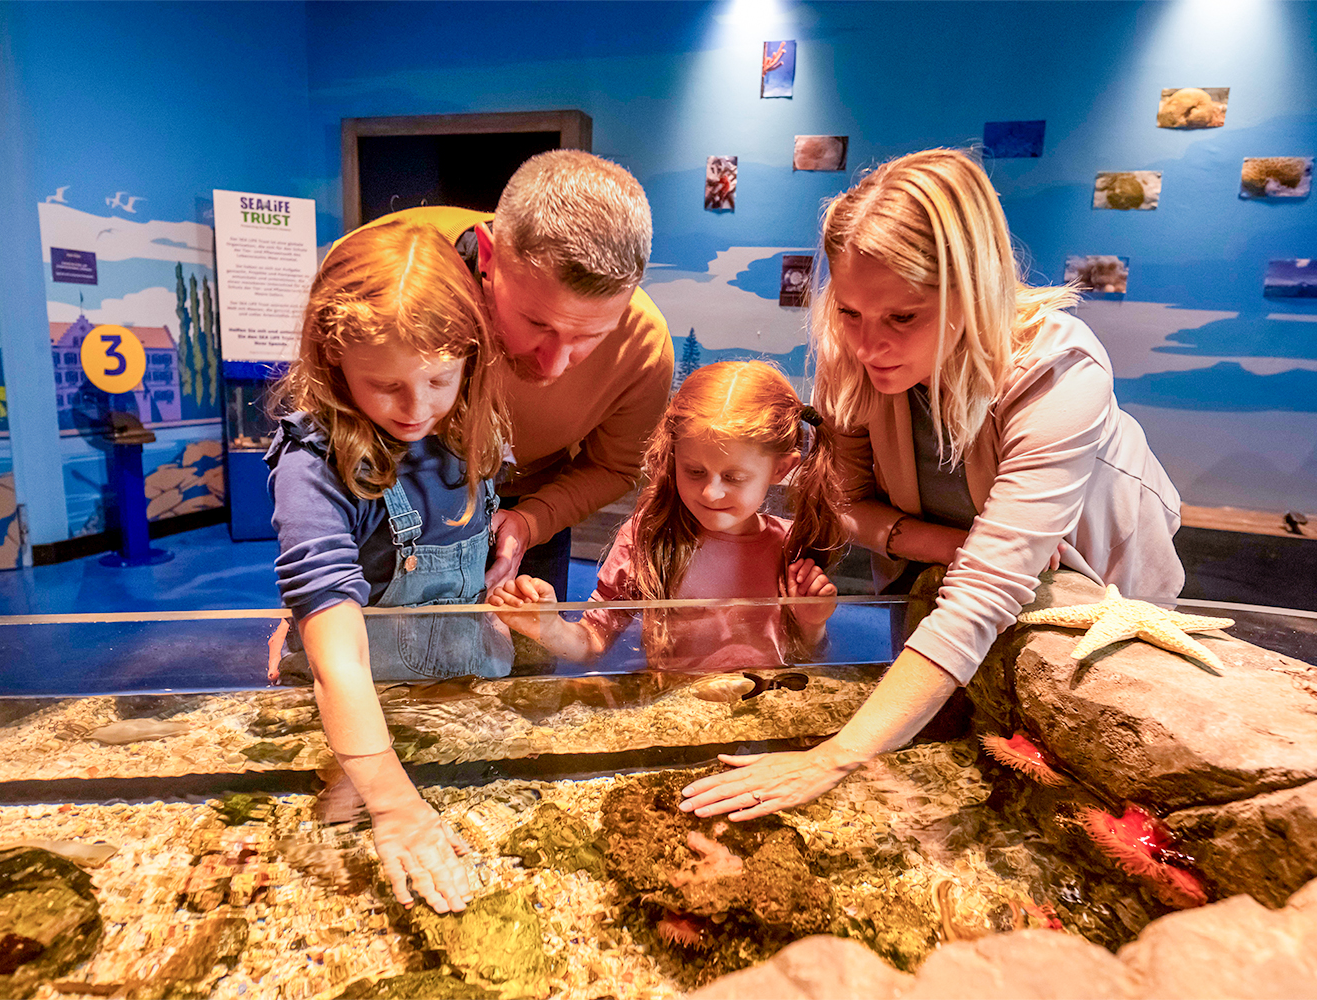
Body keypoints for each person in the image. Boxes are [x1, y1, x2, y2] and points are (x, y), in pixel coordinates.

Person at [679, 148, 1184, 820]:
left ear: (971, 290)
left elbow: (985, 593)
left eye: (903, 317)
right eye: (850, 312)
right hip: (942, 587)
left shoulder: (1059, 370)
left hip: (1094, 580)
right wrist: (949, 546)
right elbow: (848, 504)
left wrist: (834, 756)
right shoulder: (851, 353)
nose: (868, 346)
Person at [266, 220, 512, 913]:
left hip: (459, 689)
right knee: (337, 846)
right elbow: (340, 660)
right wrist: (395, 804)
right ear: (332, 356)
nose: (417, 408)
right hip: (352, 710)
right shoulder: (314, 464)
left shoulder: (471, 428)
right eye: (385, 385)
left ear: (469, 359)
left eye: (439, 379)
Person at [346, 150, 674, 601]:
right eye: (537, 324)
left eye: (589, 336)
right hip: (382, 496)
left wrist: (532, 520)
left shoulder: (644, 346)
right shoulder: (379, 271)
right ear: (488, 255)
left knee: (525, 645)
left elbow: (612, 467)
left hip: (532, 503)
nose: (553, 366)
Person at [489, 361, 845, 672]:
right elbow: (593, 643)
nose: (711, 493)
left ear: (781, 469)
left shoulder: (792, 547)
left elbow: (808, 661)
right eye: (694, 471)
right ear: (674, 455)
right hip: (676, 712)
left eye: (734, 477)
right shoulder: (649, 537)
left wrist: (813, 624)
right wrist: (550, 628)